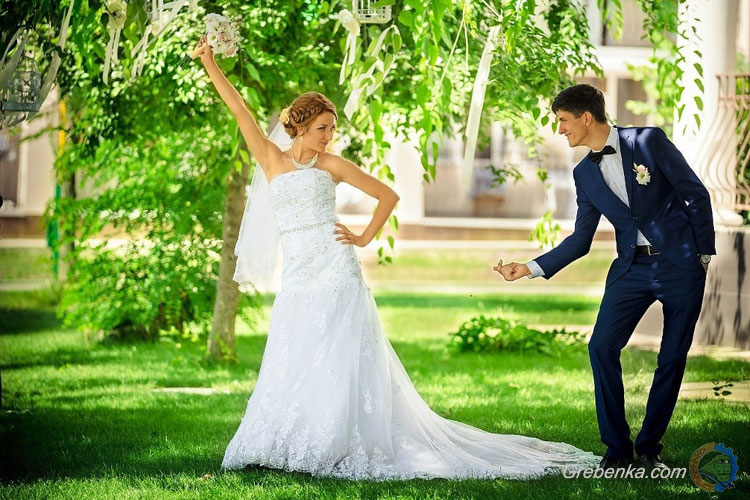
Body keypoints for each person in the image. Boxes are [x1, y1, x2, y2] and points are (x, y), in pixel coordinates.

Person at [196, 38, 599, 480]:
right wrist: (210, 61)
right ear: (300, 126)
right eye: (322, 128)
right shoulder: (271, 159)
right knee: (296, 352)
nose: (329, 136)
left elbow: (388, 196)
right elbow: (240, 109)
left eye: (332, 128)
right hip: (296, 274)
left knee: (341, 357)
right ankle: (289, 438)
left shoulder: (333, 165)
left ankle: (338, 440)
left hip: (336, 269)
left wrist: (363, 237)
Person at [495, 84, 715, 471]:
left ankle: (649, 448)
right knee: (600, 347)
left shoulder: (648, 141)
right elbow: (581, 239)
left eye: (563, 120)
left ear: (586, 117)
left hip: (680, 265)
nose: (559, 129)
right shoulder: (584, 174)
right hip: (630, 269)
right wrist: (529, 267)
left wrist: (702, 254)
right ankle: (616, 451)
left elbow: (695, 193)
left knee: (671, 357)